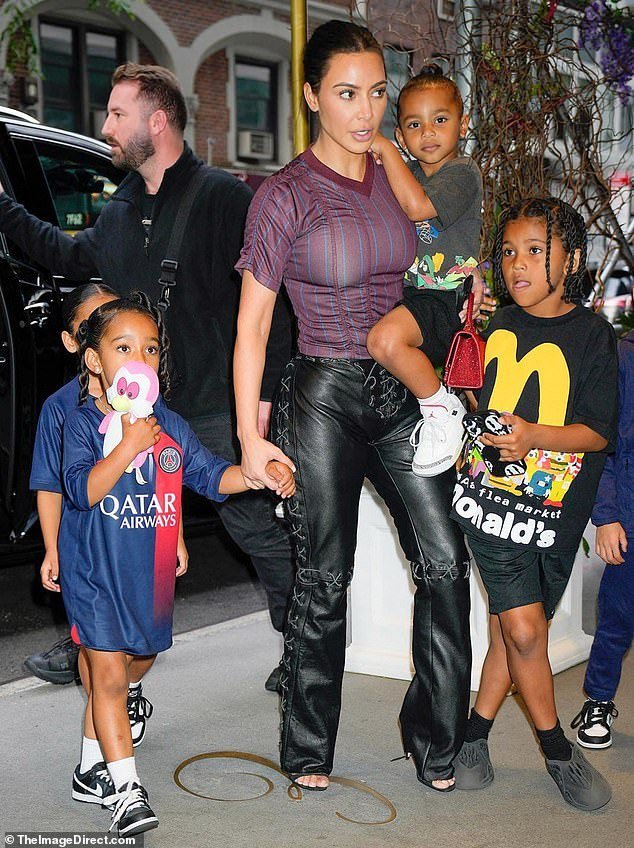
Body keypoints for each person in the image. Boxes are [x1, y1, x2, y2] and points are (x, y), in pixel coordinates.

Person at [0, 63, 295, 687]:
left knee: (252, 525)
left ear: (157, 121)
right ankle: (93, 640)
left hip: (213, 402)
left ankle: (302, 642)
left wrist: (262, 398)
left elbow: (275, 305)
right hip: (135, 409)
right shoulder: (122, 208)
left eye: (117, 114)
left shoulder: (224, 199)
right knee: (104, 519)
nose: (105, 126)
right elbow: (63, 254)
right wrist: (4, 210)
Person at [233, 20, 471, 792]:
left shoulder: (396, 174)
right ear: (311, 96)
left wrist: (463, 274)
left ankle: (435, 739)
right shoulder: (284, 196)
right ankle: (309, 748)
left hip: (400, 391)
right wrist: (249, 438)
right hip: (324, 395)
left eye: (375, 93)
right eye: (346, 94)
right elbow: (253, 327)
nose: (365, 112)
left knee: (445, 560)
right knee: (325, 575)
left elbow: (439, 252)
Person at [61, 293, 294, 836]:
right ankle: (126, 791)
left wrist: (257, 474)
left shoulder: (169, 424)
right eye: (123, 348)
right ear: (95, 360)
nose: (139, 359)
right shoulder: (81, 423)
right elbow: (81, 490)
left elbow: (211, 475)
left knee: (136, 661)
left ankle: (90, 766)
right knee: (109, 674)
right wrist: (125, 447)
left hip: (147, 573)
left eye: (150, 349)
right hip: (94, 572)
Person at [450, 197, 617, 811]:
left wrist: (534, 436)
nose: (517, 264)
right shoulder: (497, 324)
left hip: (556, 512)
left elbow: (597, 431)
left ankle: (475, 737)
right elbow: (480, 404)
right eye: (509, 252)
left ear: (569, 261)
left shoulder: (594, 335)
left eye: (535, 251)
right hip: (491, 499)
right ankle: (557, 752)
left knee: (515, 629)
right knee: (524, 628)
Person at [26, 283, 187, 750]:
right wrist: (52, 548)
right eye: (94, 328)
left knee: (143, 652)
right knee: (99, 655)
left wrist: (174, 534)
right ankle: (96, 754)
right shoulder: (62, 409)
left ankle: (125, 693)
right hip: (89, 553)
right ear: (79, 346)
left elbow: (171, 474)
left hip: (138, 544)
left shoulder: (153, 408)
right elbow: (51, 484)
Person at [366, 65, 483, 477]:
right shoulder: (408, 173)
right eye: (415, 124)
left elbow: (418, 208)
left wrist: (384, 149)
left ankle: (441, 410)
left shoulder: (462, 172)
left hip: (446, 298)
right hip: (412, 294)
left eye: (440, 120)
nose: (428, 133)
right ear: (403, 135)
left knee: (383, 340)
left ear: (463, 125)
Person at [570, 327, 634, 749]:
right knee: (618, 617)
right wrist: (608, 517)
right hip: (630, 513)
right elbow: (603, 445)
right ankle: (598, 700)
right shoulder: (624, 357)